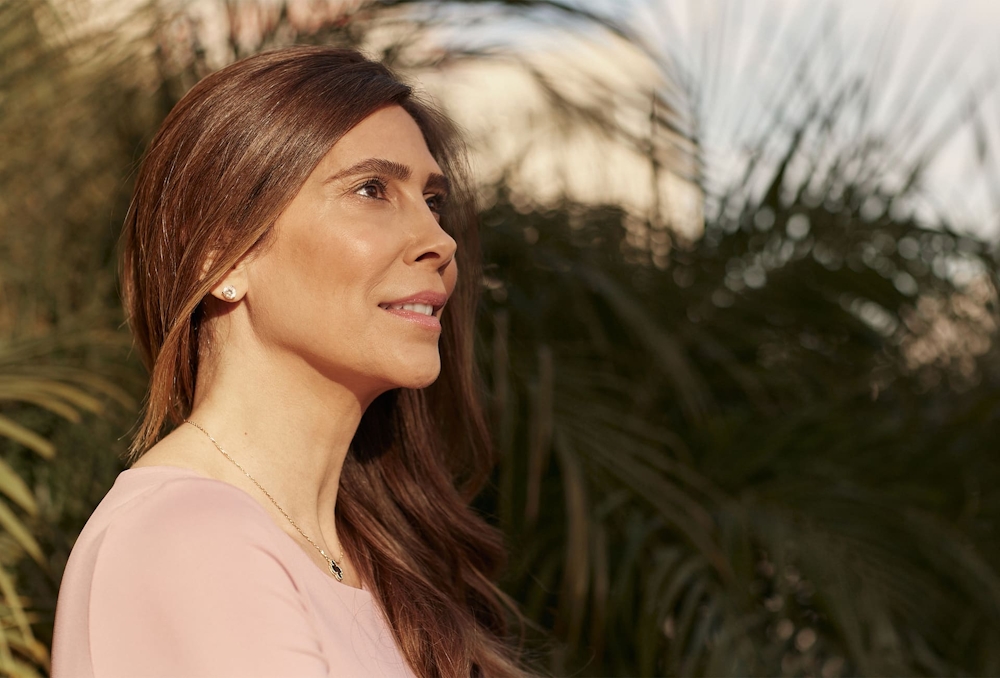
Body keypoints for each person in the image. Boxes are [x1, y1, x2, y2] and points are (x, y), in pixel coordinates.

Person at [51, 46, 522, 678]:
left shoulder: (358, 558)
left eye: (433, 201)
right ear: (222, 258)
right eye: (372, 190)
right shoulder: (193, 539)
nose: (440, 241)